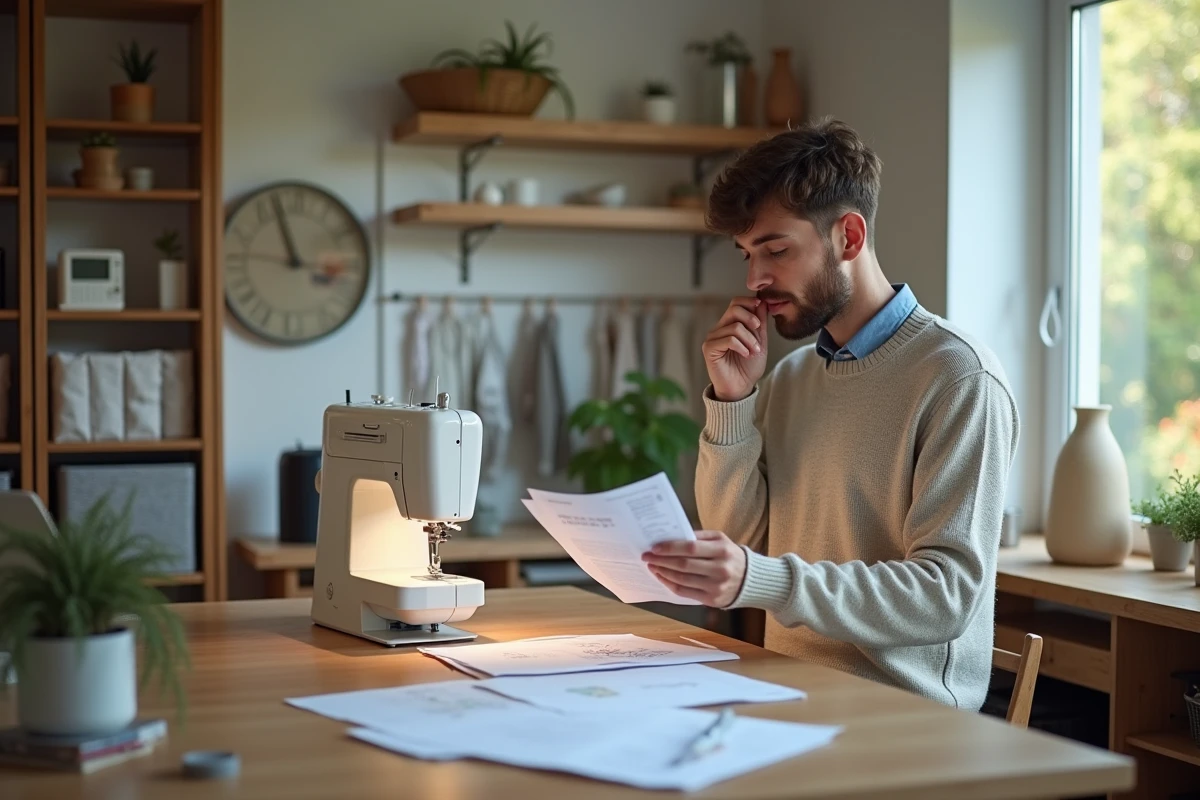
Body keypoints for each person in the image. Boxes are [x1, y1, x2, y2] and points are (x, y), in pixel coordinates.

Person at [641, 117, 1019, 712]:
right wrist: (733, 403)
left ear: (848, 236)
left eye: (776, 249)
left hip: (905, 721)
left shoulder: (958, 377)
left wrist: (761, 578)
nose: (754, 280)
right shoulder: (789, 379)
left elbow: (946, 597)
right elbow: (741, 545)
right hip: (788, 697)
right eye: (746, 253)